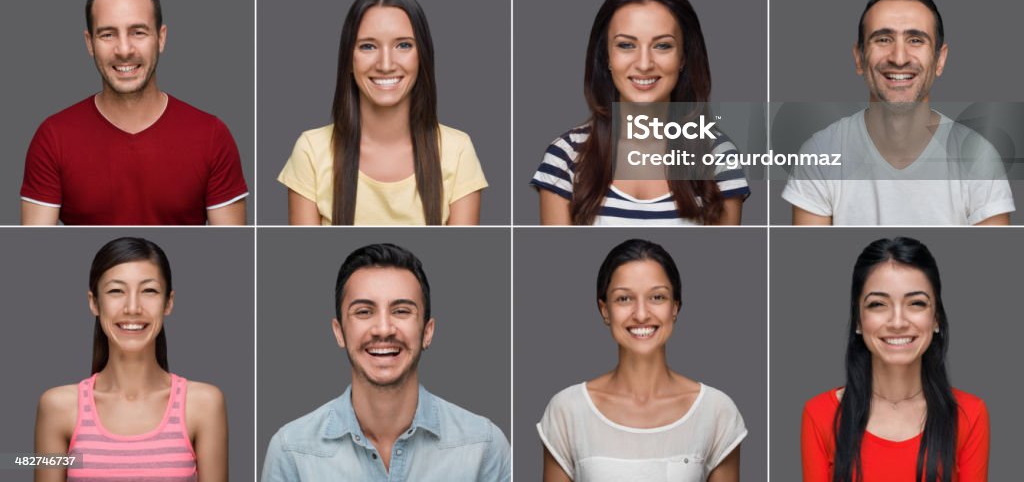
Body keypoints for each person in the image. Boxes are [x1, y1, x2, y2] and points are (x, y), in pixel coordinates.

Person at [262, 243, 511, 481]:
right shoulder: (291, 450)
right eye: (364, 312)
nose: (383, 329)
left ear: (427, 331)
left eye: (401, 311)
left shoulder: (483, 446)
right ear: (339, 332)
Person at [20, 0, 248, 225]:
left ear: (161, 38)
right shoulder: (53, 136)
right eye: (108, 34)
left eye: (138, 32)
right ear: (90, 43)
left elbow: (232, 247)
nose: (124, 49)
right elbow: (36, 245)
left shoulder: (211, 135)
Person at [782, 0, 1013, 226]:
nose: (899, 58)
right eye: (883, 39)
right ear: (859, 58)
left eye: (915, 40)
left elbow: (992, 261)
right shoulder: (821, 152)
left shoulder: (976, 156)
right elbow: (811, 261)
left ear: (940, 59)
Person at [532, 0, 749, 225]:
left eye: (662, 45)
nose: (644, 64)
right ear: (606, 56)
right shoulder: (565, 156)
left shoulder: (718, 155)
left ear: (683, 57)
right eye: (626, 45)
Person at [539, 238, 745, 481]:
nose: (641, 314)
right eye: (624, 299)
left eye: (657, 297)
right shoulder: (568, 410)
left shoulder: (716, 411)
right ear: (605, 310)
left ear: (675, 307)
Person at [278, 0, 487, 225]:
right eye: (368, 46)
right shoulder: (311, 151)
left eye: (403, 45)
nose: (386, 64)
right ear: (348, 58)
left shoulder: (458, 150)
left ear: (423, 56)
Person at [34, 236, 228, 482]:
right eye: (116, 291)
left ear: (168, 303)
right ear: (94, 302)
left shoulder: (204, 404)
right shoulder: (57, 407)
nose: (133, 307)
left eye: (149, 291)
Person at [801, 237, 989, 481]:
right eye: (878, 304)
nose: (898, 322)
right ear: (858, 320)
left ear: (936, 319)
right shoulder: (820, 415)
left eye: (916, 303)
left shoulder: (970, 415)